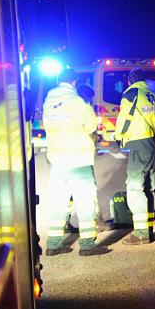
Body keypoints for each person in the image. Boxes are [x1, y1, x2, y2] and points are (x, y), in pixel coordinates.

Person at [43, 68, 109, 256]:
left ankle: (53, 245)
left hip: (56, 160)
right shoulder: (76, 101)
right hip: (78, 159)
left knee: (58, 201)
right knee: (86, 201)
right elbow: (90, 125)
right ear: (74, 81)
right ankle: (87, 245)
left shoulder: (49, 100)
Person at [115, 67, 155, 245]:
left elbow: (124, 119)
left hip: (137, 142)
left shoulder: (131, 94)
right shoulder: (152, 95)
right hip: (150, 141)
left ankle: (141, 233)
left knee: (135, 188)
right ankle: (148, 229)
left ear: (130, 80)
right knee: (147, 187)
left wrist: (118, 136)